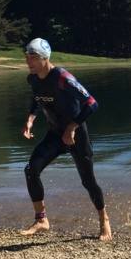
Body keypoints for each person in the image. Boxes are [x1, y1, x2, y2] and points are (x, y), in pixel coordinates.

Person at [19, 38, 112, 241]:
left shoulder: (62, 78)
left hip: (76, 135)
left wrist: (72, 126)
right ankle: (41, 219)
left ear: (45, 58)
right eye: (27, 56)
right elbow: (37, 98)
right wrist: (30, 119)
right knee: (31, 169)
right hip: (55, 134)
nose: (28, 61)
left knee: (88, 181)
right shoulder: (33, 79)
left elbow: (92, 103)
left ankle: (104, 218)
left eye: (33, 57)